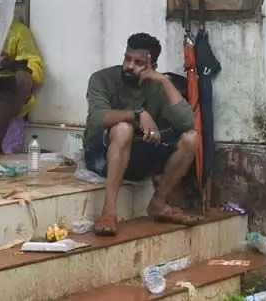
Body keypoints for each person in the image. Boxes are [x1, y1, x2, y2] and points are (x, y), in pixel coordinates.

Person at [83, 32, 201, 237]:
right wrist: (137, 115)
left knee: (192, 138)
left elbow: (186, 122)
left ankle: (158, 202)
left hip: (139, 157)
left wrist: (164, 81)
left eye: (138, 62)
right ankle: (109, 211)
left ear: (152, 67)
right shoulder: (102, 79)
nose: (129, 66)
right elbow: (96, 118)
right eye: (127, 58)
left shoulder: (156, 84)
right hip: (101, 157)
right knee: (123, 129)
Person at [0, 17, 45, 155]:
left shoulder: (17, 31)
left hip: (2, 91)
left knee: (22, 80)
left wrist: (10, 63)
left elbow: (34, 67)